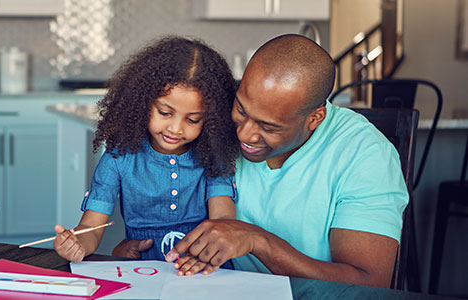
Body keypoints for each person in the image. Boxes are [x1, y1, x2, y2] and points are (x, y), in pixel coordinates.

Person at [114, 34, 409, 288]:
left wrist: (257, 241)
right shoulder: (211, 123)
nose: (244, 134)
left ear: (315, 118)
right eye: (241, 109)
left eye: (268, 127)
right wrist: (139, 246)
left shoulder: (365, 155)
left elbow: (369, 283)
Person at [53, 36, 241, 265]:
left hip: (202, 269)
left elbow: (223, 222)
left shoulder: (213, 158)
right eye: (164, 112)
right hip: (142, 271)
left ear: (211, 120)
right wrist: (76, 243)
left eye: (192, 120)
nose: (175, 128)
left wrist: (207, 252)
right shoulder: (118, 158)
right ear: (142, 102)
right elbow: (91, 227)